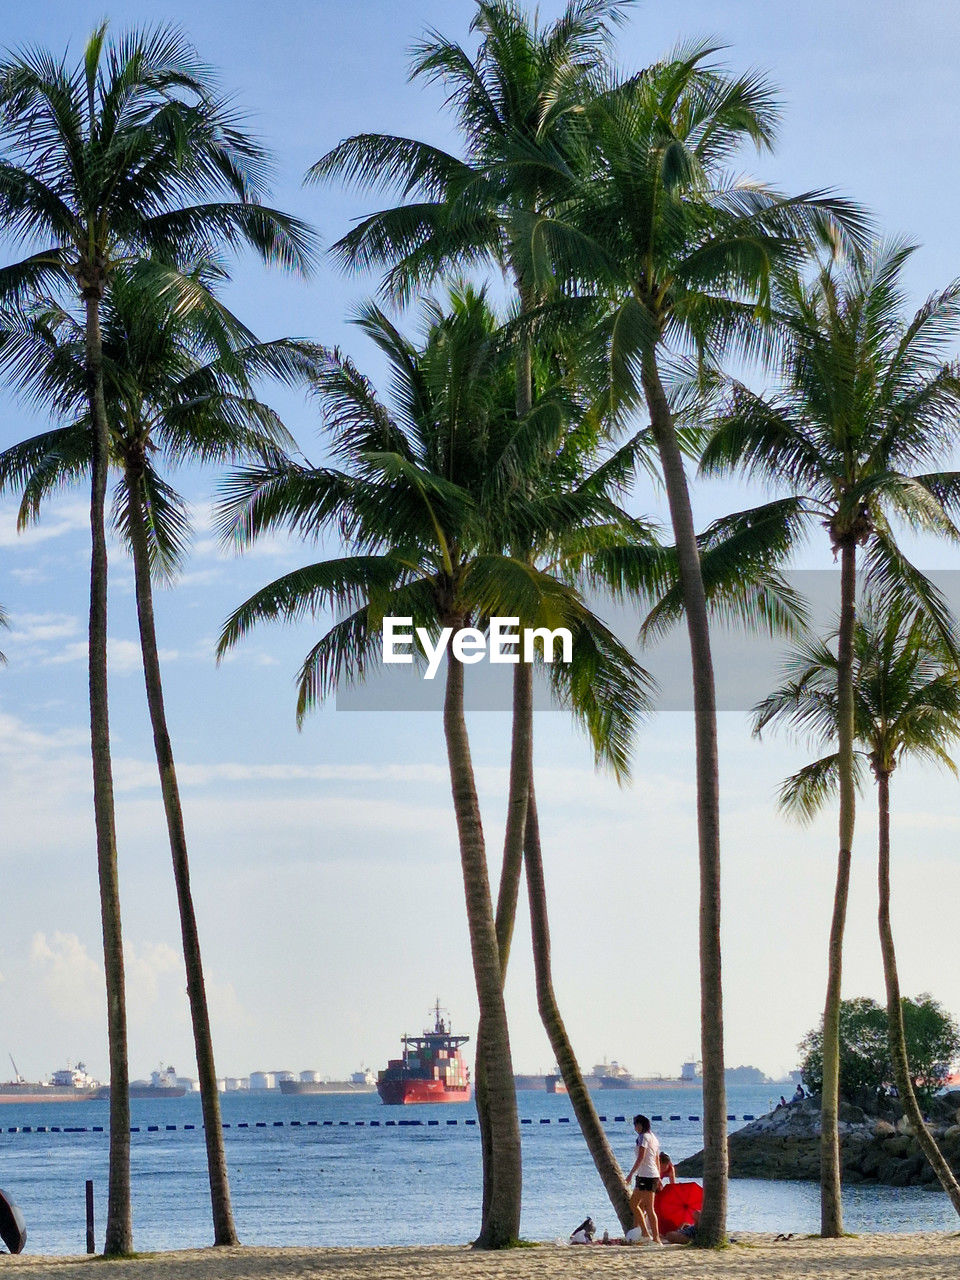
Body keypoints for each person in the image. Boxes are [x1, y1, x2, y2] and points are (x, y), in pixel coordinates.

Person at [625, 1114, 662, 1244]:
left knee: (643, 1206)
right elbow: (657, 1159)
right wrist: (659, 1177)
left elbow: (641, 1157)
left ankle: (650, 1235)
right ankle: (648, 1234)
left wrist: (630, 1174)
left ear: (641, 1125)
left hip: (645, 1175)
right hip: (652, 1175)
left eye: (636, 1124)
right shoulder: (654, 1138)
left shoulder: (643, 1137)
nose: (635, 1127)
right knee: (638, 1204)